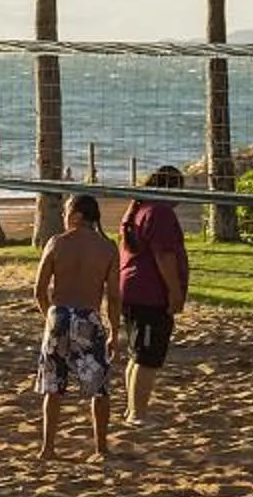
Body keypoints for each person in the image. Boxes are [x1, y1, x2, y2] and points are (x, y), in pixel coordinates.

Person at [35, 194, 120, 459]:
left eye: (66, 211)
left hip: (58, 315)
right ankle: (101, 447)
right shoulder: (107, 248)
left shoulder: (56, 243)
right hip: (88, 317)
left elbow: (39, 289)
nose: (63, 215)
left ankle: (48, 448)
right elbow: (114, 296)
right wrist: (115, 331)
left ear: (78, 215)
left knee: (53, 385)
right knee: (99, 385)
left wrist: (49, 316)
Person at [116, 165, 191, 424]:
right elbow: (164, 256)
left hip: (132, 290)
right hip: (150, 294)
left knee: (138, 354)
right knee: (147, 357)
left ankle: (131, 410)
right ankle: (137, 414)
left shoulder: (136, 207)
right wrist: (175, 291)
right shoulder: (159, 212)